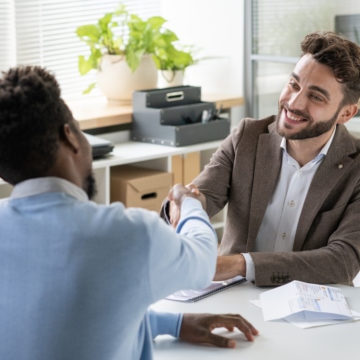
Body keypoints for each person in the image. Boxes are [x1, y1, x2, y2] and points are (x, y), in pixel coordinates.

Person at [0, 66, 258, 360]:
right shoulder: (127, 233)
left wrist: (172, 323)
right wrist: (187, 203)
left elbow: (51, 319)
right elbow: (201, 262)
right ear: (70, 136)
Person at [164, 31, 360, 287]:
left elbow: (341, 261)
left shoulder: (356, 167)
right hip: (233, 297)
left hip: (313, 310)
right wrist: (184, 203)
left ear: (346, 113)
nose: (293, 102)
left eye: (315, 97)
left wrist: (239, 264)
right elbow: (204, 196)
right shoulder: (247, 137)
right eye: (294, 84)